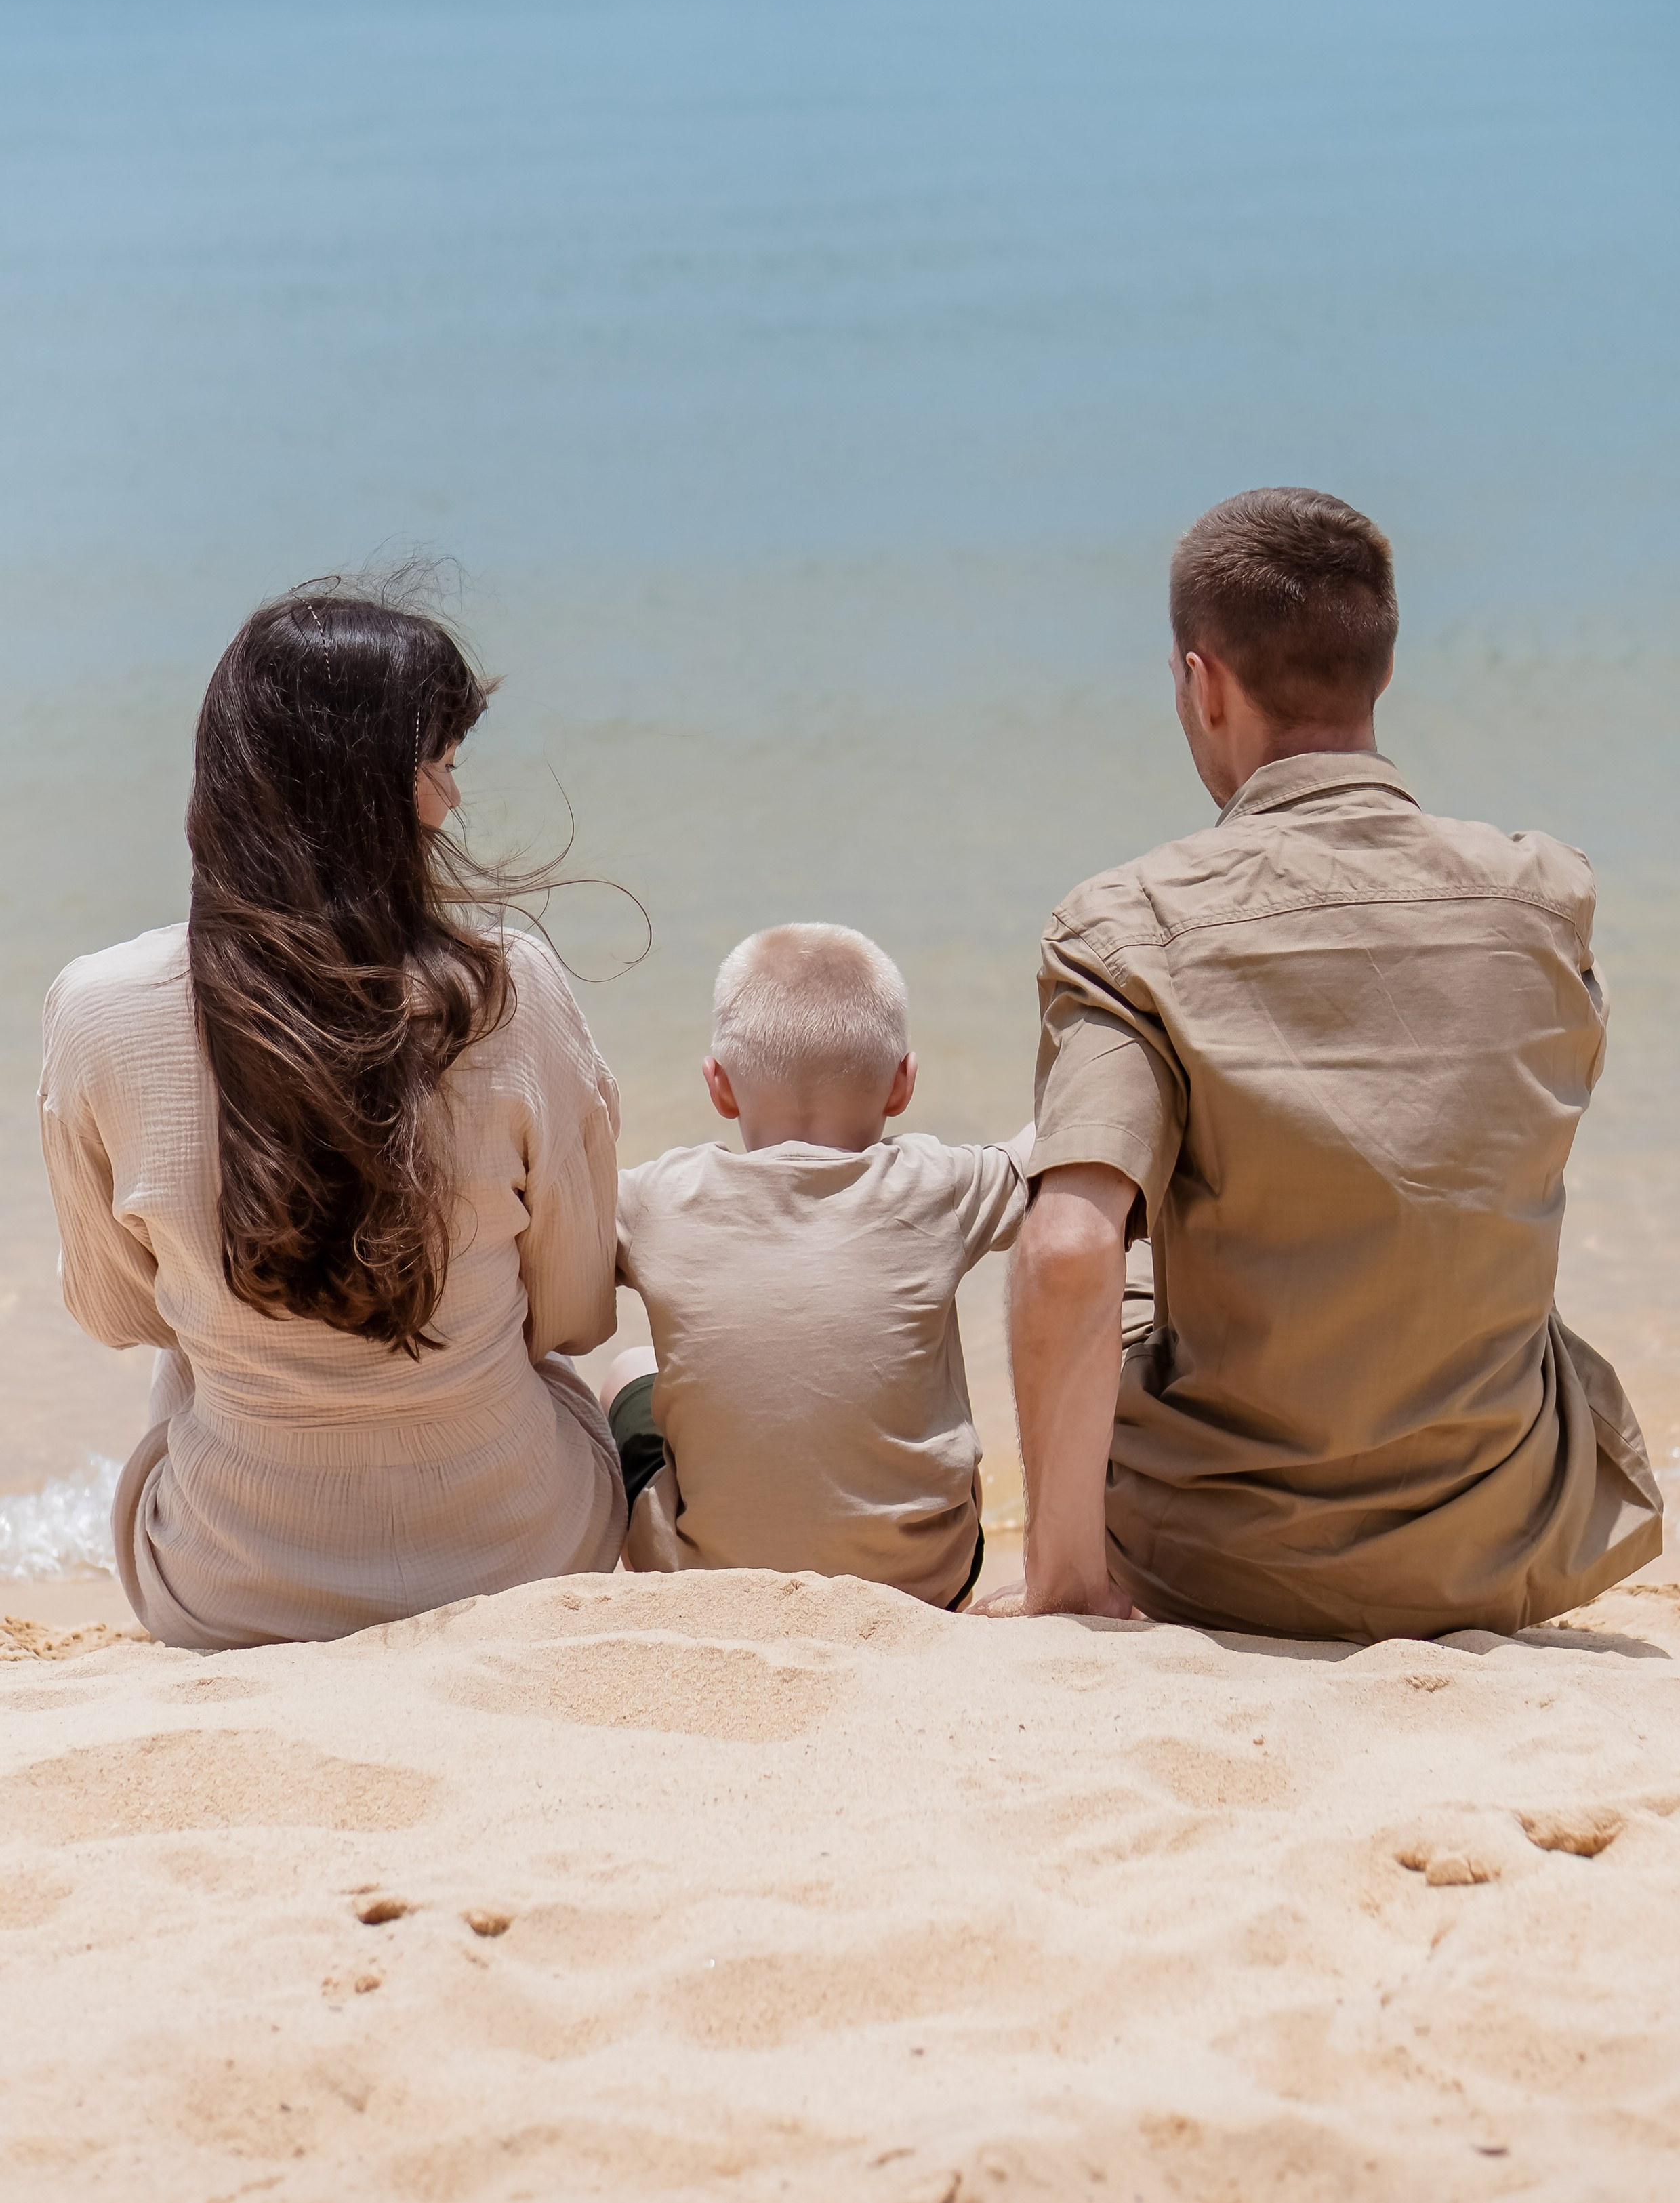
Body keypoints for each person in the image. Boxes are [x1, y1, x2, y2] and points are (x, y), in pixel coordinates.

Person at [1006, 488, 1662, 1641]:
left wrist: (1065, 1587)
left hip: (1219, 1562)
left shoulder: (1125, 924)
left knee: (1114, 1233)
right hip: (1501, 1542)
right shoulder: (1546, 896)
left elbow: (1068, 1253)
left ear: (1203, 684)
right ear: (1382, 671)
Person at [38, 586, 626, 1649]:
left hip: (225, 1591)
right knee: (597, 1375)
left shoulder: (98, 1008)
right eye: (440, 762)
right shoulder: (511, 990)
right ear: (372, 792)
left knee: (193, 1349)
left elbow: (121, 1314)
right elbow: (574, 1313)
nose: (454, 797)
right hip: (523, 1558)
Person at [602, 923, 1029, 1609]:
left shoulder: (656, 1197)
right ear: (902, 1085)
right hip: (928, 1580)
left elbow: (558, 1223)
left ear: (719, 1087)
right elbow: (1054, 1150)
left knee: (628, 1369)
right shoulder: (938, 1184)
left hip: (708, 1584)